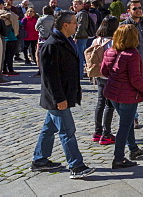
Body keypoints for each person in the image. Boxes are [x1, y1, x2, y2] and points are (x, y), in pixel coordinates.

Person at [32, 11, 94, 179]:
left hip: (63, 94)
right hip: (57, 97)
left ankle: (39, 160)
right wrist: (59, 98)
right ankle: (76, 166)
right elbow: (50, 77)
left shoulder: (64, 40)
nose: (77, 25)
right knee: (67, 131)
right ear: (65, 25)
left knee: (49, 128)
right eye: (74, 22)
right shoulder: (52, 44)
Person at [101, 24, 143, 169]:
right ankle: (118, 158)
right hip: (127, 95)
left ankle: (134, 149)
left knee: (127, 121)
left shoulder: (110, 51)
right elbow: (136, 80)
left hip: (112, 93)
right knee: (124, 126)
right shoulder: (132, 55)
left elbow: (104, 71)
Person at [89, 16, 119, 146]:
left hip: (98, 75)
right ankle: (106, 134)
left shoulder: (96, 40)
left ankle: (97, 132)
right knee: (109, 105)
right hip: (110, 76)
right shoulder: (114, 42)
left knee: (100, 102)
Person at [0, 0, 21, 77]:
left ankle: (4, 69)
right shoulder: (10, 17)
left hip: (3, 38)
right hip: (11, 37)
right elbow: (18, 22)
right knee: (9, 55)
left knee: (4, 56)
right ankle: (10, 70)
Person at [73, 0, 96, 76]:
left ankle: (80, 74)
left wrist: (75, 36)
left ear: (82, 5)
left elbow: (81, 26)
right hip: (80, 37)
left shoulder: (82, 14)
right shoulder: (78, 13)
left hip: (81, 37)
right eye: (73, 4)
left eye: (76, 4)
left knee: (79, 56)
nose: (74, 6)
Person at [36, 4, 56, 74]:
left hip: (43, 37)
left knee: (40, 54)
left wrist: (42, 30)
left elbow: (36, 27)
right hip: (51, 37)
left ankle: (41, 69)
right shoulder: (54, 18)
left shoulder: (41, 19)